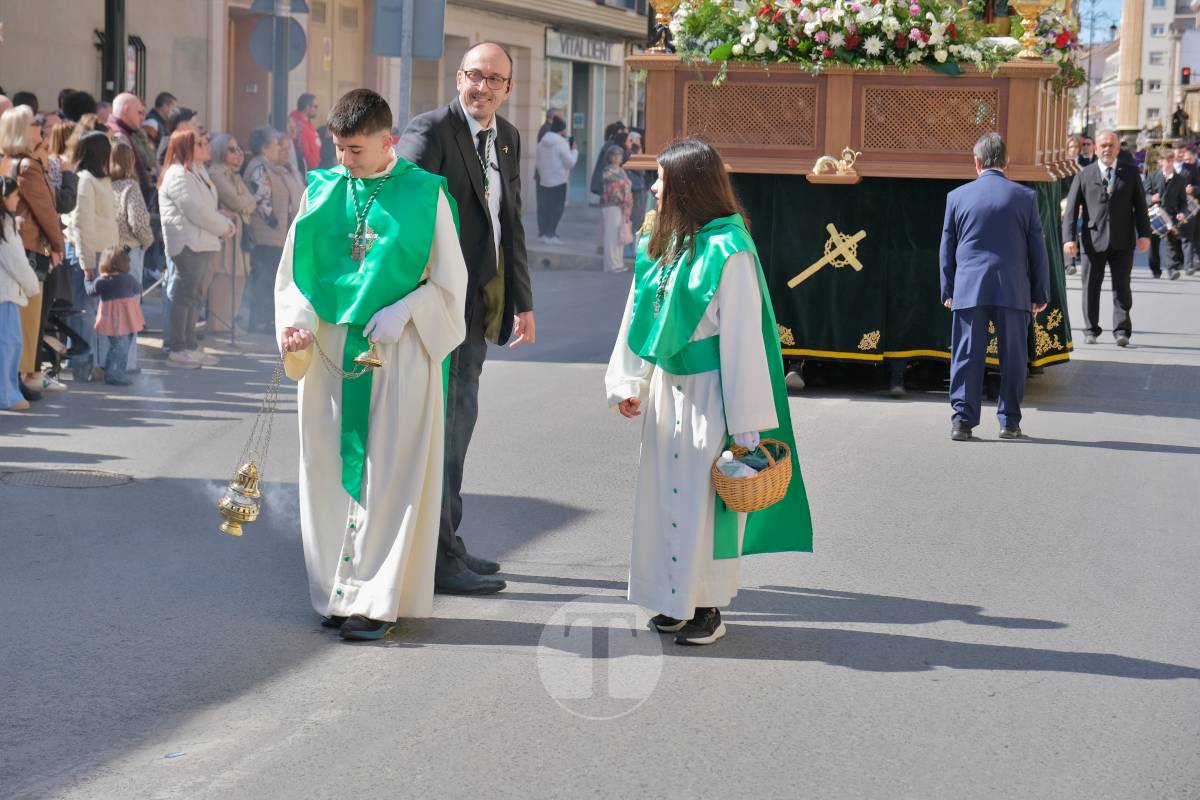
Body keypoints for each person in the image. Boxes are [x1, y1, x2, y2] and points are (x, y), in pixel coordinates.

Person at [274, 88, 468, 640]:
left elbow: (450, 285)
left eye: (356, 149)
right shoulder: (322, 190)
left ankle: (376, 600)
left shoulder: (426, 195)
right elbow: (295, 275)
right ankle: (337, 592)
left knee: (390, 478)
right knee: (330, 472)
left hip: (397, 354)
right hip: (332, 355)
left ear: (388, 141)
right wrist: (297, 321)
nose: (345, 160)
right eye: (338, 148)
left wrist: (407, 309)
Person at [605, 137, 812, 645]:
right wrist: (631, 382)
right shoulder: (664, 245)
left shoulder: (728, 251)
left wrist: (745, 430)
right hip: (668, 393)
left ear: (688, 187)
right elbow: (639, 317)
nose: (652, 187)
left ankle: (707, 608)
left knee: (702, 504)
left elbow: (743, 343)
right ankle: (672, 602)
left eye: (662, 179)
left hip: (712, 396)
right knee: (663, 502)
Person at [397, 41, 535, 596]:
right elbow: (402, 206)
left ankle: (447, 542)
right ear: (457, 78)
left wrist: (523, 301)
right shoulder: (429, 132)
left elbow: (510, 223)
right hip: (437, 308)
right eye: (473, 76)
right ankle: (436, 558)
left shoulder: (507, 137)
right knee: (442, 432)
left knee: (460, 427)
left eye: (493, 79)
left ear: (508, 89)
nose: (481, 87)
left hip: (479, 308)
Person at [940, 133, 1050, 441]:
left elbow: (947, 247)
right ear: (1006, 162)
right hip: (1012, 288)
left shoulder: (957, 197)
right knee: (1013, 357)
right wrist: (1040, 292)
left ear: (976, 162)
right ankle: (1009, 422)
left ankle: (962, 421)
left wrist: (948, 288)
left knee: (966, 355)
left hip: (969, 287)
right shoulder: (1025, 197)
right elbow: (1037, 250)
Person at [0, 104, 66, 400]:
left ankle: (23, 377)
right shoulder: (26, 166)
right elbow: (46, 211)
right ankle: (25, 377)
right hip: (29, 246)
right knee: (30, 318)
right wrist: (58, 244)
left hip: (24, 243)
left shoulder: (19, 161)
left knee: (24, 318)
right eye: (33, 124)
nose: (39, 127)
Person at [1062, 129, 1151, 347]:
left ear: (1118, 148)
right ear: (1095, 148)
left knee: (1122, 287)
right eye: (1103, 145)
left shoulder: (1130, 173)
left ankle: (1122, 330)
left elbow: (1140, 207)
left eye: (1111, 145)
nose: (1106, 149)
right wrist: (1069, 238)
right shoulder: (1085, 174)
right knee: (1090, 287)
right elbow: (1072, 210)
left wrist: (1145, 234)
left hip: (1123, 240)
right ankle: (1091, 329)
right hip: (1093, 240)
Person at [158, 129, 234, 368]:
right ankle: (177, 349)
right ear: (185, 148)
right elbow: (197, 211)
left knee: (194, 296)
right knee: (183, 296)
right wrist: (225, 226)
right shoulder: (178, 174)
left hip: (201, 241)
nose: (206, 146)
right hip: (187, 243)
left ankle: (189, 345)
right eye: (200, 143)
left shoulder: (197, 171)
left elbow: (207, 208)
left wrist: (222, 223)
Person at [61, 131, 119, 382]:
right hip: (88, 254)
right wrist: (87, 264)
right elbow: (81, 225)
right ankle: (80, 364)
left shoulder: (101, 179)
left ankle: (90, 361)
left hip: (103, 254)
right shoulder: (84, 180)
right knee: (83, 311)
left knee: (94, 312)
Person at [244, 127, 302, 333]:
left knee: (271, 279)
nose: (281, 149)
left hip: (277, 236)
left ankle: (267, 320)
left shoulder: (274, 167)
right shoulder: (259, 167)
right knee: (265, 279)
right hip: (266, 236)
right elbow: (263, 201)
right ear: (265, 147)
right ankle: (260, 321)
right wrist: (276, 224)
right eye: (277, 145)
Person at [109, 141, 153, 374]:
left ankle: (109, 360)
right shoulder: (131, 187)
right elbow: (138, 221)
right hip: (130, 251)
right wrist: (148, 241)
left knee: (111, 308)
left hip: (109, 251)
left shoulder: (106, 185)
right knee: (130, 306)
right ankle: (128, 361)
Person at [207, 133, 256, 334]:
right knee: (224, 277)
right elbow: (237, 201)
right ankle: (220, 323)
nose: (238, 153)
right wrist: (243, 205)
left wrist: (242, 205)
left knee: (239, 278)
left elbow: (251, 202)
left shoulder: (234, 175)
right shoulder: (215, 173)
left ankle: (230, 321)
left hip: (241, 234)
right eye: (231, 149)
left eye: (238, 148)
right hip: (226, 237)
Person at [0, 175, 41, 411]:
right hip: (5, 295)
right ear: (4, 197)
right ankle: (7, 395)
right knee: (9, 345)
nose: (18, 200)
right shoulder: (5, 227)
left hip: (6, 293)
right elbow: (17, 263)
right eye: (15, 195)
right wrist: (32, 286)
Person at [91, 245, 144, 386]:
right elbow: (138, 289)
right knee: (122, 348)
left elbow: (90, 292)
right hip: (129, 320)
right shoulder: (128, 279)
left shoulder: (102, 281)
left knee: (116, 347)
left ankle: (112, 372)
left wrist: (87, 279)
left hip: (112, 321)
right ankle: (116, 373)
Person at [1145, 152, 1189, 281]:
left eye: (1171, 160)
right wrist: (1151, 198)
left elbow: (1183, 201)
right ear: (1160, 162)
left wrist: (1182, 212)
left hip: (1170, 215)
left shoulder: (1180, 179)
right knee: (1153, 245)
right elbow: (1143, 194)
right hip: (1154, 214)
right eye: (1165, 160)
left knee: (1172, 244)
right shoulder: (1152, 176)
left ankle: (1172, 269)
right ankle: (1155, 270)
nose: (1168, 163)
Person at [534, 116, 576, 243]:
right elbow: (570, 163)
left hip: (544, 180)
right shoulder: (562, 144)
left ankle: (544, 234)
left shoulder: (541, 143)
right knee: (557, 208)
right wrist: (574, 150)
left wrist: (543, 174)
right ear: (561, 130)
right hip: (559, 181)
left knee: (545, 207)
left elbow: (538, 162)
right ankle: (551, 235)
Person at [599, 145, 632, 272]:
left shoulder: (622, 170)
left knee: (619, 235)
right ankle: (611, 264)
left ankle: (618, 262)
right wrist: (624, 203)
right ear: (610, 157)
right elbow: (613, 189)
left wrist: (628, 205)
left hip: (623, 206)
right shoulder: (608, 171)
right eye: (614, 155)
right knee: (612, 236)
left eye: (619, 155)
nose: (617, 157)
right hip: (612, 205)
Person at [290, 93, 321, 173]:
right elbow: (303, 152)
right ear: (307, 107)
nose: (316, 110)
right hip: (307, 172)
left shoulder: (307, 123)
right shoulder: (298, 125)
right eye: (315, 106)